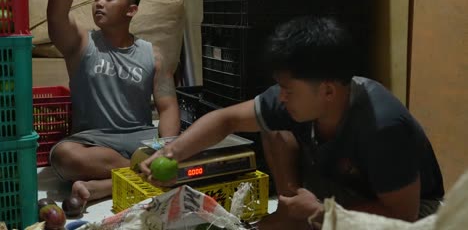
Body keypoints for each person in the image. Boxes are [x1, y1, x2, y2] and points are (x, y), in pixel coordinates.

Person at [140, 16, 444, 229]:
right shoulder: (303, 98)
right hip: (340, 190)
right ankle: (296, 210)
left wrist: (320, 212)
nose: (281, 97)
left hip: (412, 212)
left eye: (289, 90)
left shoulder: (382, 126)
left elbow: (402, 216)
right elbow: (226, 119)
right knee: (272, 129)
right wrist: (170, 153)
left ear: (327, 90)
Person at [47, 0, 180, 203]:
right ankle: (145, 174)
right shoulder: (81, 43)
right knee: (63, 156)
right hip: (93, 142)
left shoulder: (154, 55)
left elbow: (168, 107)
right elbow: (56, 14)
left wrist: (165, 150)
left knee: (198, 146)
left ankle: (107, 186)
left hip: (141, 140)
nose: (99, 2)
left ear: (131, 10)